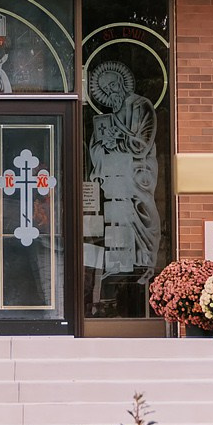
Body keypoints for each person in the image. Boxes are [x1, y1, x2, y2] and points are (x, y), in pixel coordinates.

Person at [85, 60, 159, 279]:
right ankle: (119, 263)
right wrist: (103, 145)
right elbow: (95, 145)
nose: (111, 91)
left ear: (122, 82)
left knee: (141, 211)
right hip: (115, 175)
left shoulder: (141, 105)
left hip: (137, 173)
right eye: (106, 89)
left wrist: (119, 139)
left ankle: (145, 262)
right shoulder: (108, 117)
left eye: (113, 85)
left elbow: (144, 142)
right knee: (116, 217)